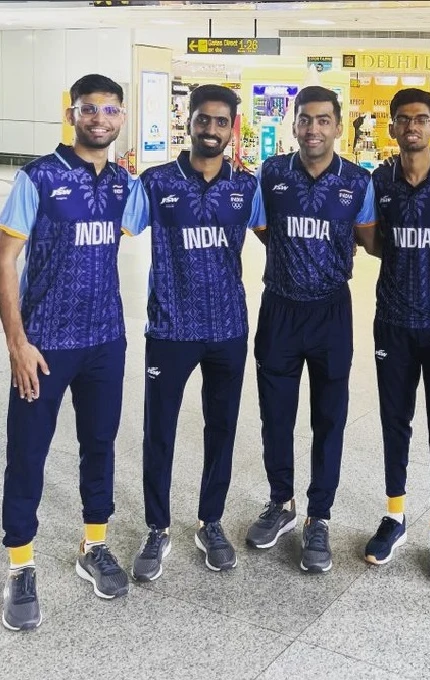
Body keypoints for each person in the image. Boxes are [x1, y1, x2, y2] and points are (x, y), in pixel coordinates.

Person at [0, 74, 138, 630]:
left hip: (105, 339)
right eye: (89, 109)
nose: (99, 118)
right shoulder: (38, 177)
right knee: (28, 454)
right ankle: (20, 565)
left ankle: (94, 546)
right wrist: (17, 342)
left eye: (109, 109)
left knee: (99, 445)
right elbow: (5, 260)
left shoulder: (124, 186)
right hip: (46, 344)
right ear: (71, 113)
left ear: (121, 117)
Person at [122, 85, 265, 581]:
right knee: (158, 431)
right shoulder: (156, 182)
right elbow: (116, 229)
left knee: (221, 428)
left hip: (228, 327)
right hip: (170, 327)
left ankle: (211, 521)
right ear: (190, 121)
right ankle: (157, 527)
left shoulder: (246, 187)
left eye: (221, 122)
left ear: (232, 129)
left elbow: (277, 235)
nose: (210, 130)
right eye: (203, 120)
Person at [243, 85, 376, 574]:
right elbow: (260, 227)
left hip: (330, 314)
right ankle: (281, 502)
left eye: (323, 120)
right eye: (305, 120)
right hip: (279, 308)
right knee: (275, 417)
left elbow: (372, 237)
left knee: (329, 419)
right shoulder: (272, 174)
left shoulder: (359, 182)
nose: (313, 129)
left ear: (339, 126)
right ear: (293, 124)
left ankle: (319, 515)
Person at [363, 88, 430, 580]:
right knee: (394, 421)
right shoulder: (378, 181)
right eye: (403, 119)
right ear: (391, 127)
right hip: (394, 321)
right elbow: (370, 240)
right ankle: (394, 515)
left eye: (421, 119)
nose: (412, 126)